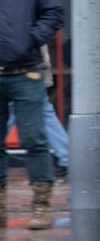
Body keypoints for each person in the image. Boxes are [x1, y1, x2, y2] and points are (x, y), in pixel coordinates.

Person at [0, 0, 64, 229]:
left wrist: (31, 39)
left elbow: (53, 13)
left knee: (34, 139)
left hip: (26, 70)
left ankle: (41, 205)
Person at [4, 47, 70, 181]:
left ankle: (68, 158)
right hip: (29, 65)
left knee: (13, 111)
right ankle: (68, 158)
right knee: (44, 113)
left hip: (18, 67)